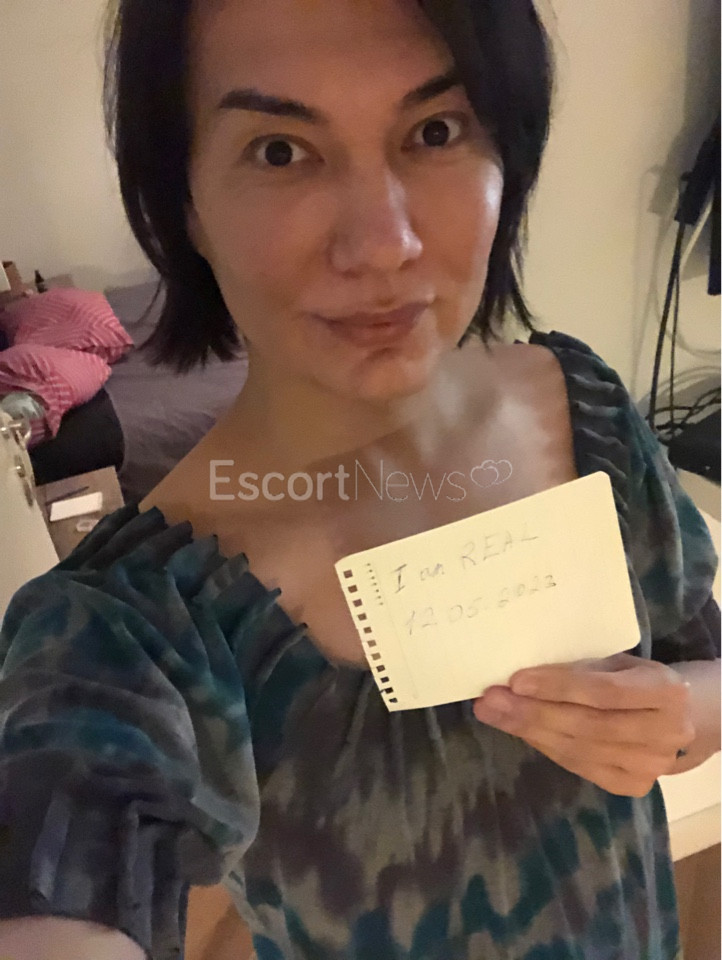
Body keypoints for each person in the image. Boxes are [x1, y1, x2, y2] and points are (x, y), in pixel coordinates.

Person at [0, 1, 719, 958]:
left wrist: (689, 711)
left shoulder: (584, 406)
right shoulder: (135, 623)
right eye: (280, 152)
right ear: (185, 202)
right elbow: (61, 867)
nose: (383, 244)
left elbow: (701, 652)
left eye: (436, 131)